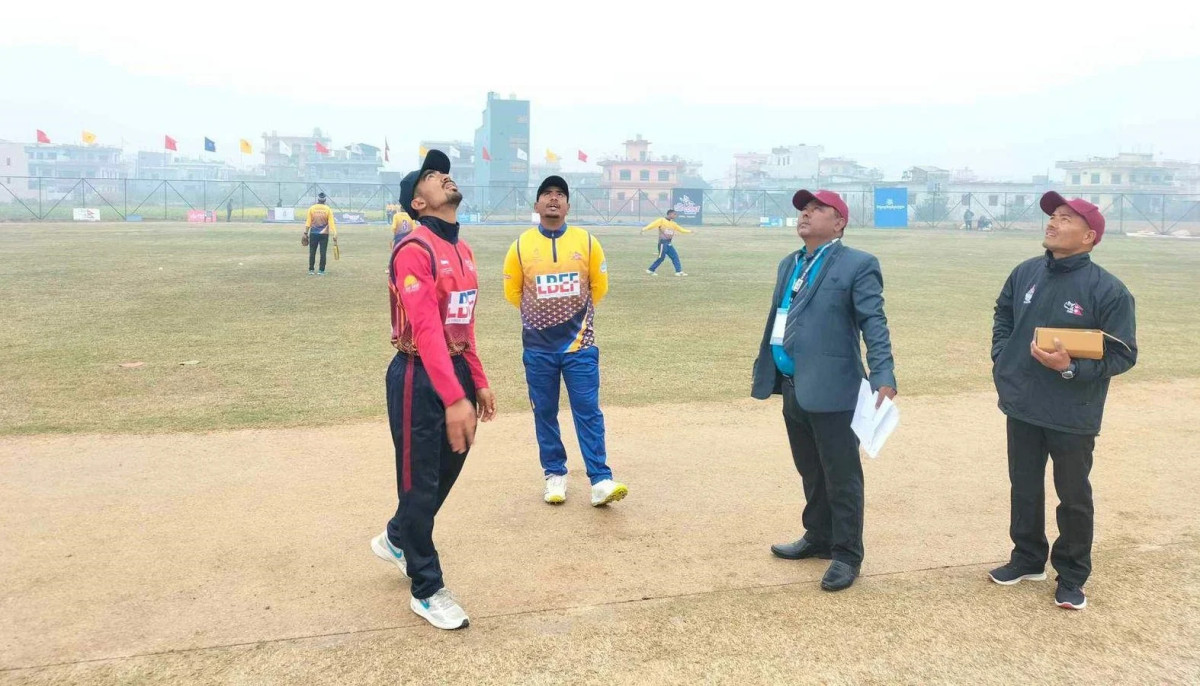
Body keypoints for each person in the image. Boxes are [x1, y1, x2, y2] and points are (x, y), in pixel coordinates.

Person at [988, 192, 1137, 610]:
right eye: (1053, 215)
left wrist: (1071, 368)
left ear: (1089, 237)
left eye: (1066, 218)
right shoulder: (1025, 272)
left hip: (1073, 411)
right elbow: (1003, 314)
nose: (1053, 222)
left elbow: (1124, 354)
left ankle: (1071, 575)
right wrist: (1003, 354)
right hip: (1022, 403)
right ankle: (1027, 558)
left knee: (1073, 496)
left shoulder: (1109, 290)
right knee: (1024, 485)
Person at [369, 150, 497, 631]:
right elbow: (425, 329)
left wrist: (476, 380)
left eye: (443, 171)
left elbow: (463, 323)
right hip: (417, 376)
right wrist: (453, 397)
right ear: (417, 202)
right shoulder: (414, 249)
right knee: (419, 483)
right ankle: (426, 588)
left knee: (446, 470)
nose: (443, 176)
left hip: (455, 370)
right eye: (430, 175)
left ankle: (397, 537)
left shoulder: (464, 251)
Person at [751, 189, 897, 592]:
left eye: (817, 209)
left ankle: (847, 553)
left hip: (835, 387)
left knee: (841, 474)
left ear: (839, 223)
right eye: (804, 208)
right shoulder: (790, 263)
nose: (806, 214)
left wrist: (884, 372)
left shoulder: (858, 264)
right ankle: (818, 534)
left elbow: (874, 321)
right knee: (810, 469)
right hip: (793, 385)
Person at [502, 175, 627, 507]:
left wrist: (571, 319)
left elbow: (599, 287)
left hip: (580, 347)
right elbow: (513, 292)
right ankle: (554, 475)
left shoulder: (587, 242)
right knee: (544, 413)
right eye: (547, 194)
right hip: (538, 349)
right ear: (537, 205)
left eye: (560, 194)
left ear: (568, 205)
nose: (553, 198)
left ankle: (600, 479)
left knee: (588, 412)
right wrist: (544, 320)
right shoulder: (520, 246)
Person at [643, 210, 693, 276]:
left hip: (669, 243)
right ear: (669, 214)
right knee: (661, 258)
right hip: (662, 243)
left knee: (675, 256)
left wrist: (690, 231)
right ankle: (650, 270)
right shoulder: (661, 220)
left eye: (675, 214)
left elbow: (681, 230)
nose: (675, 216)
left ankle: (678, 271)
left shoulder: (673, 224)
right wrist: (644, 229)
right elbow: (652, 225)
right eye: (674, 214)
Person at [304, 192, 338, 276]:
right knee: (323, 252)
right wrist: (334, 233)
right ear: (325, 200)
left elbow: (308, 222)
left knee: (312, 252)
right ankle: (321, 270)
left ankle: (311, 270)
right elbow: (331, 223)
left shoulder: (312, 208)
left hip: (313, 233)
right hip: (324, 234)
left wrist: (305, 233)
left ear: (318, 199)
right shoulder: (328, 209)